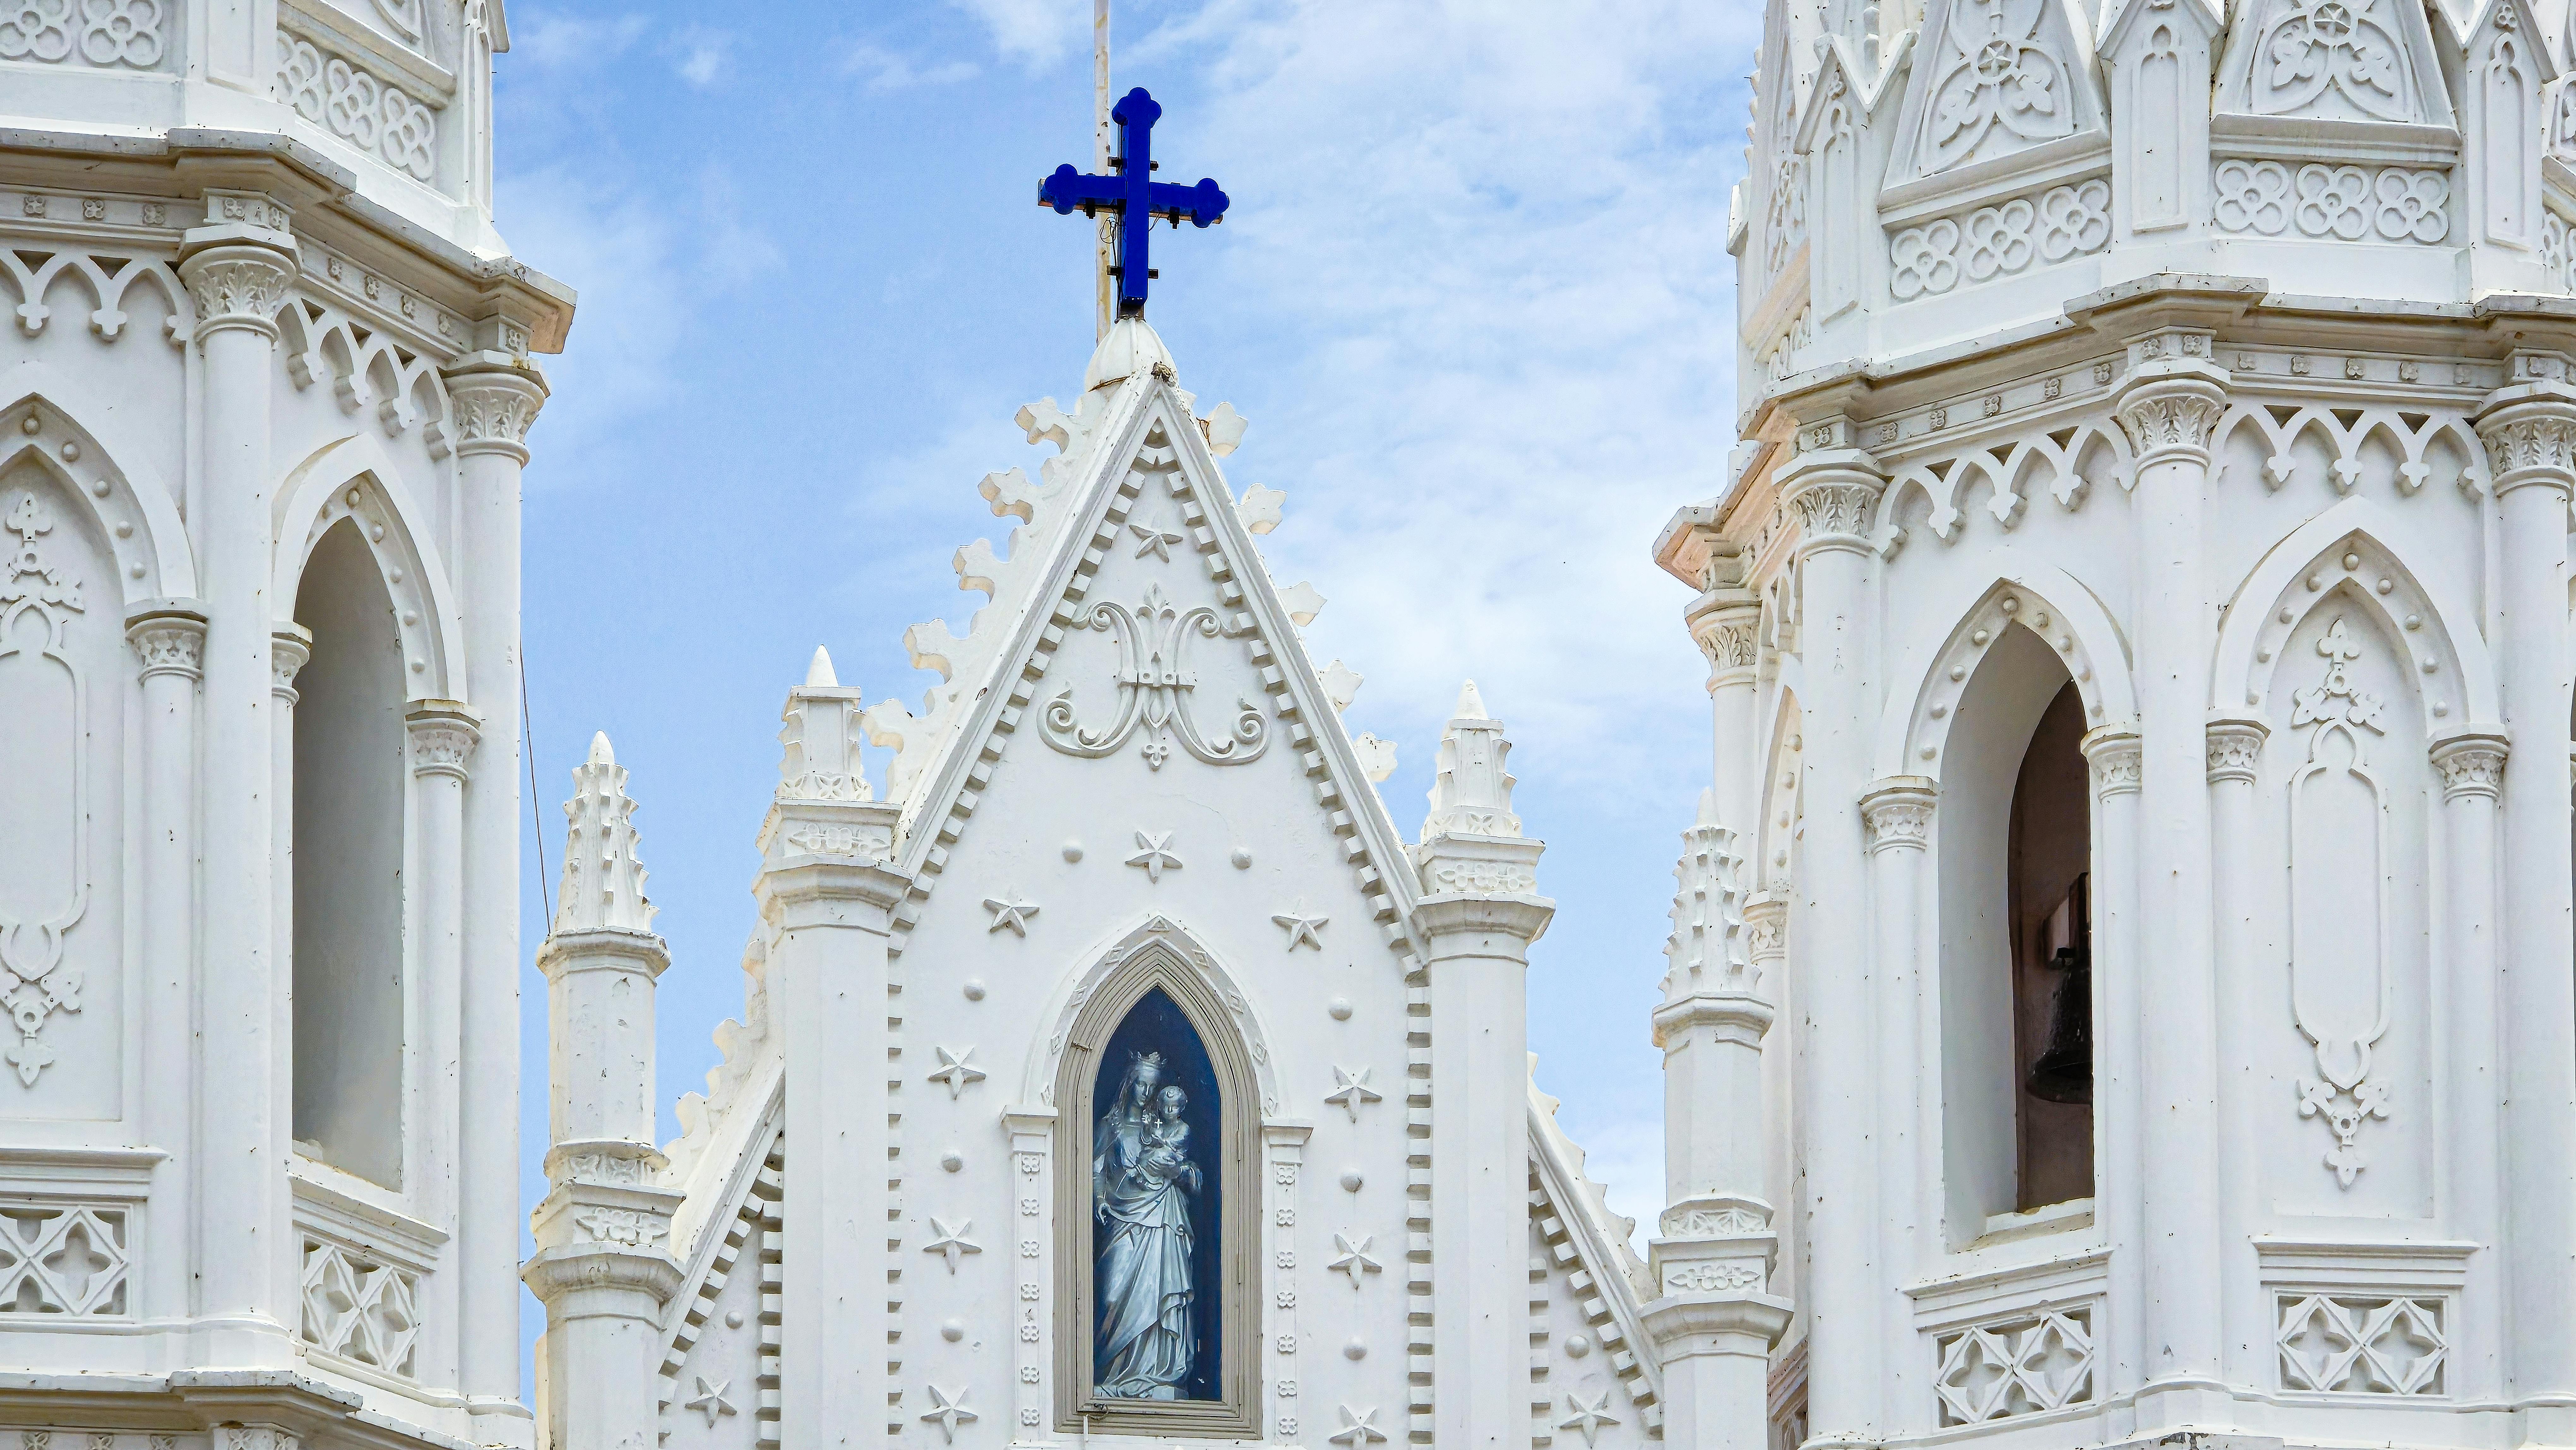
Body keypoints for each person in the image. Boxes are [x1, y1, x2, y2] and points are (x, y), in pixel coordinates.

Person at [1094, 1053, 1201, 1398]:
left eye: (1152, 1087)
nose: (1146, 1092)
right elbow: (1096, 1170)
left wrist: (1180, 1172)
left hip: (1162, 1217)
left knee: (1161, 1290)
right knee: (1112, 1296)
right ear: (1129, 1084)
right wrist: (1099, 1199)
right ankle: (1112, 1372)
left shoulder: (1163, 1129)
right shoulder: (1110, 1126)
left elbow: (1189, 1171)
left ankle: (1157, 1373)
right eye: (1141, 1083)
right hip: (1122, 1216)